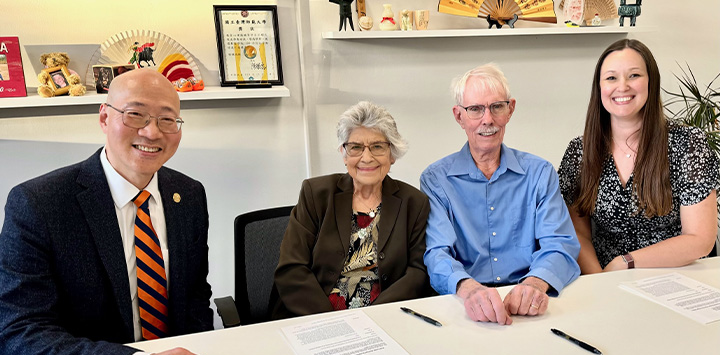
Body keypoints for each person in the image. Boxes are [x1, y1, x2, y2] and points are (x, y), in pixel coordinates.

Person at [0, 68, 214, 355]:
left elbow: (195, 296)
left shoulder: (188, 194)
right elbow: (19, 333)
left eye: (167, 120)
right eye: (135, 114)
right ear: (104, 117)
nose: (151, 131)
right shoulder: (38, 203)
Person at [421, 64, 581, 325]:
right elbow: (437, 253)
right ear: (459, 116)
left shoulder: (540, 173)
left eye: (497, 106)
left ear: (510, 109)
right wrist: (470, 289)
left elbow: (560, 243)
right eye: (475, 109)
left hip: (530, 298)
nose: (488, 120)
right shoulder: (436, 180)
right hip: (463, 303)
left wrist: (535, 284)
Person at [558, 39, 719, 274]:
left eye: (634, 75)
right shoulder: (579, 152)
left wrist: (626, 262)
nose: (622, 86)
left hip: (674, 275)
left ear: (651, 82)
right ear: (599, 87)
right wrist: (601, 281)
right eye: (611, 78)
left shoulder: (688, 144)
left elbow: (699, 238)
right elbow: (577, 233)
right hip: (604, 277)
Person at [272, 101, 430, 318]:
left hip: (384, 318)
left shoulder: (414, 202)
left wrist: (375, 318)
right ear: (344, 154)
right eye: (356, 147)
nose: (366, 157)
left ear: (392, 154)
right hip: (314, 316)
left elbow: (417, 273)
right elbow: (291, 268)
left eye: (377, 146)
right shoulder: (316, 194)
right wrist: (331, 322)